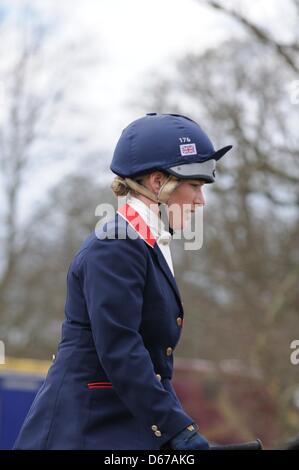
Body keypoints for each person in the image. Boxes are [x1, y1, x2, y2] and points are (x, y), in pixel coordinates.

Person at [14, 113, 232, 450]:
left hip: (124, 429)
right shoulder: (115, 244)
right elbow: (121, 350)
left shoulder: (147, 243)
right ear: (158, 183)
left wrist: (182, 429)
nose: (201, 201)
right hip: (84, 431)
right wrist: (178, 431)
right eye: (196, 186)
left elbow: (156, 365)